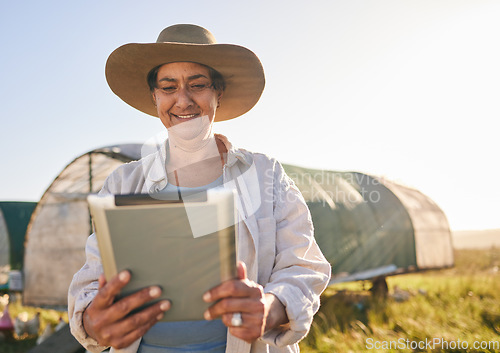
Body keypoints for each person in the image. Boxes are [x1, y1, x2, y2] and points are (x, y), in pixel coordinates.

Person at [68, 24, 331, 353]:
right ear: (155, 97)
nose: (183, 100)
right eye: (168, 87)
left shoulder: (266, 175)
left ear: (218, 92)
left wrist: (270, 306)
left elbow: (304, 266)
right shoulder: (123, 183)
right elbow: (93, 279)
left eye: (198, 85)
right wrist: (94, 321)